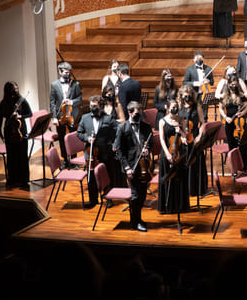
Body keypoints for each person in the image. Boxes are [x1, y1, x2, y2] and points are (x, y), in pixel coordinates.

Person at [113, 101, 153, 232]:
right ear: (129, 112)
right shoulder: (122, 128)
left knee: (142, 194)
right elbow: (119, 150)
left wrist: (148, 150)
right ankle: (135, 222)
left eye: (140, 113)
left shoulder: (146, 127)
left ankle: (138, 219)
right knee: (135, 194)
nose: (138, 115)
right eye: (136, 113)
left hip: (144, 166)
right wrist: (127, 168)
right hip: (130, 166)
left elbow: (150, 144)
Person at [78, 95, 120, 207]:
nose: (92, 108)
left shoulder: (108, 118)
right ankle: (93, 200)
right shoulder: (85, 118)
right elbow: (79, 133)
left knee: (107, 175)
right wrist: (87, 139)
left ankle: (108, 198)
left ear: (101, 106)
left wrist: (114, 144)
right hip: (91, 152)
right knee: (91, 175)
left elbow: (118, 131)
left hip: (105, 151)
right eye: (91, 106)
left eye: (95, 106)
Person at [0, 82, 32, 188]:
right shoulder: (3, 103)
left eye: (16, 88)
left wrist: (20, 116)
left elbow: (30, 113)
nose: (15, 91)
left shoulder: (22, 101)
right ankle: (12, 179)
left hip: (21, 129)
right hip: (8, 131)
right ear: (8, 91)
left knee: (22, 155)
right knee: (11, 156)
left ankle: (24, 179)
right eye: (13, 89)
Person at [158, 99, 189, 215]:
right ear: (168, 107)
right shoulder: (162, 121)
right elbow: (161, 138)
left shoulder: (181, 120)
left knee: (179, 178)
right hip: (167, 151)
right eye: (173, 107)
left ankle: (180, 206)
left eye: (176, 107)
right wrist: (166, 153)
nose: (175, 109)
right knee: (167, 178)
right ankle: (166, 206)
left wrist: (180, 131)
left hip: (179, 153)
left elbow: (185, 137)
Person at [50, 61, 82, 169]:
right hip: (60, 116)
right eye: (65, 72)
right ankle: (65, 160)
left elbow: (80, 99)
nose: (67, 74)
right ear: (59, 72)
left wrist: (71, 102)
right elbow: (52, 102)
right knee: (62, 137)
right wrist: (54, 117)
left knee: (73, 137)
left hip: (72, 114)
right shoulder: (54, 85)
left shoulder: (75, 84)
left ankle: (74, 160)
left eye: (69, 72)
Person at [178, 85, 207, 197]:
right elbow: (175, 123)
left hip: (194, 136)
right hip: (183, 137)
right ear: (181, 96)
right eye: (185, 97)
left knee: (196, 163)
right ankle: (185, 189)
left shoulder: (197, 106)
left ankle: (196, 188)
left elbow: (202, 122)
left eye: (189, 97)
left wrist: (200, 135)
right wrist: (181, 135)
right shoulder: (179, 107)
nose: (187, 99)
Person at [219, 74, 247, 173]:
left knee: (243, 145)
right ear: (228, 85)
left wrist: (242, 113)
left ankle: (244, 167)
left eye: (235, 85)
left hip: (240, 122)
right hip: (229, 123)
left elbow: (246, 108)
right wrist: (226, 117)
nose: (234, 86)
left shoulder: (241, 95)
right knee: (232, 146)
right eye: (232, 84)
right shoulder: (224, 96)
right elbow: (220, 109)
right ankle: (234, 169)